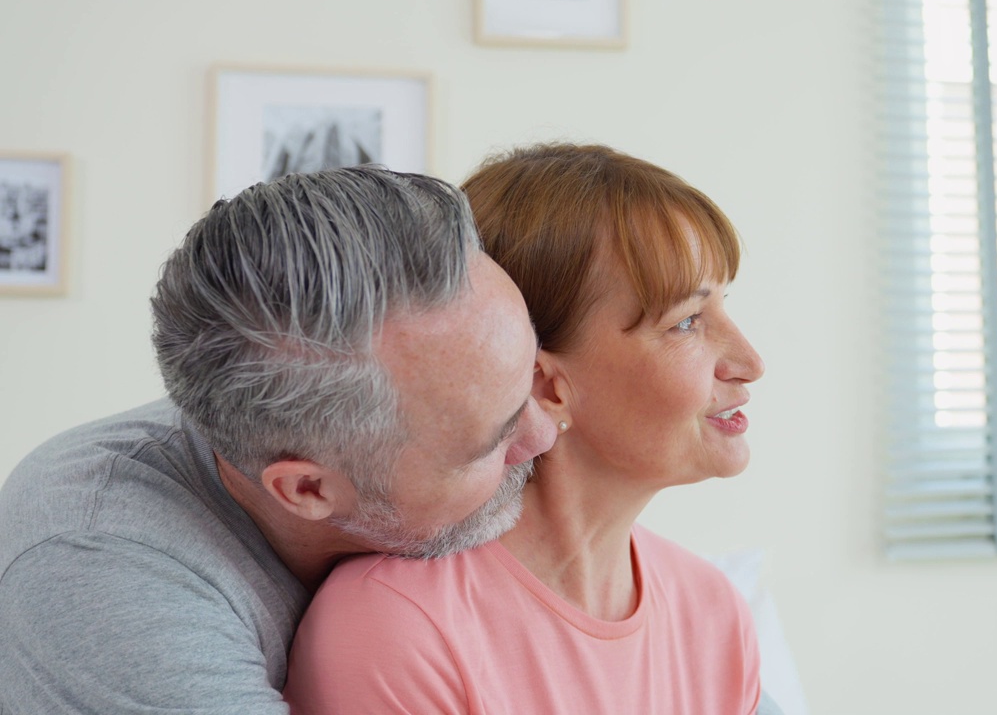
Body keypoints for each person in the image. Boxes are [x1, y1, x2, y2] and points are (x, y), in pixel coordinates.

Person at [0, 166, 556, 713]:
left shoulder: (341, 423)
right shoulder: (100, 579)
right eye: (490, 443)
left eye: (531, 375)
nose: (547, 433)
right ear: (307, 489)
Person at [284, 143, 769, 714]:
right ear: (543, 385)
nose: (749, 361)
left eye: (723, 306)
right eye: (686, 321)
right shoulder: (394, 629)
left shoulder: (713, 613)